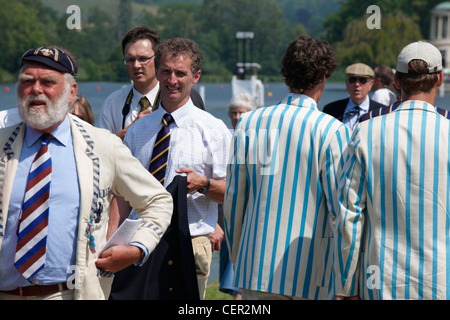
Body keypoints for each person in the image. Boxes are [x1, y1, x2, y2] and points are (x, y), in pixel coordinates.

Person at [0, 46, 173, 300]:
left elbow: (158, 201)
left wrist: (137, 248)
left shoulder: (103, 145)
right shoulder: (3, 142)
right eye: (27, 81)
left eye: (48, 82)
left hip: (69, 294)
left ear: (72, 92)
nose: (35, 89)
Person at [224, 35, 350, 300]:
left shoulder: (249, 123)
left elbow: (234, 199)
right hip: (313, 271)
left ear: (286, 74)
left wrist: (238, 254)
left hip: (254, 266)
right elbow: (341, 209)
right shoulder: (333, 131)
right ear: (324, 77)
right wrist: (346, 274)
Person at [333, 41, 450, 300]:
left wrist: (346, 286)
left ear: (396, 80)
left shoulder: (366, 132)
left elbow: (348, 215)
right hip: (442, 282)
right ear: (439, 79)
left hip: (382, 282)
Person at [117, 38, 232, 299]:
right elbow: (122, 194)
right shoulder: (137, 131)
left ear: (196, 77)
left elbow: (229, 193)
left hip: (190, 241)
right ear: (157, 72)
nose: (172, 80)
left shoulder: (214, 131)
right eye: (166, 71)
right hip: (139, 240)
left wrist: (203, 184)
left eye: (181, 73)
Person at [98, 26, 204, 140]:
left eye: (143, 59)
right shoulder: (113, 102)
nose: (136, 65)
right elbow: (99, 151)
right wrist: (126, 134)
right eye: (130, 59)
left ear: (157, 59)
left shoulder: (186, 97)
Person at [219, 92, 257, 300]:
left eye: (241, 112)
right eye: (233, 113)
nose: (236, 117)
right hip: (225, 208)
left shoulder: (258, 139)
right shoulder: (224, 136)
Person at [322, 63, 387, 132]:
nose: (357, 84)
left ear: (371, 84)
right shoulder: (330, 110)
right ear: (346, 83)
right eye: (352, 79)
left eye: (362, 80)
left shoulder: (382, 112)